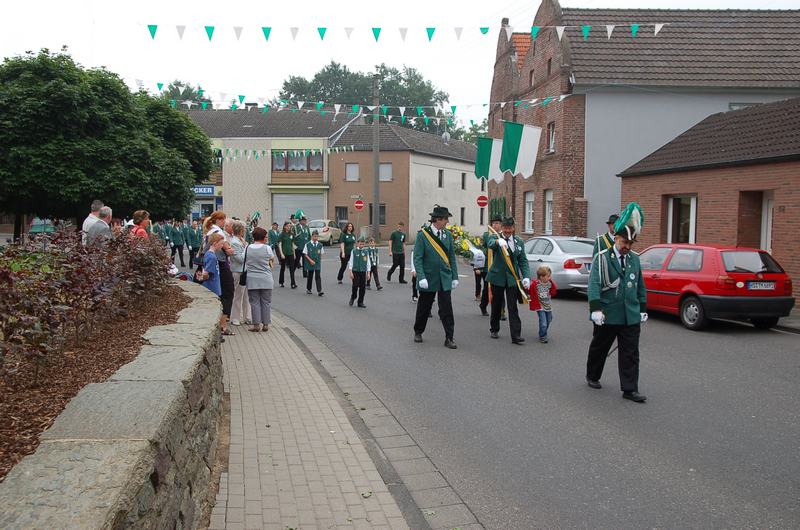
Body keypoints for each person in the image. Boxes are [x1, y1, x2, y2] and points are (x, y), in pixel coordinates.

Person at [586, 203, 648, 403]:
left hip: (629, 314)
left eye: (631, 243)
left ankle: (630, 389)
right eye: (625, 242)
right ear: (616, 238)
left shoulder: (635, 260)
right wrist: (595, 309)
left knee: (630, 353)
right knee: (600, 347)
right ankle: (593, 375)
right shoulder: (603, 258)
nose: (628, 247)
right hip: (608, 313)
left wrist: (642, 308)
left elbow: (640, 286)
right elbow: (594, 284)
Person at [412, 205, 459, 349]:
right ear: (438, 220)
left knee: (447, 309)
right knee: (424, 307)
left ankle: (449, 337)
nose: (447, 222)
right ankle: (418, 331)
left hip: (444, 278)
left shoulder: (448, 235)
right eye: (446, 219)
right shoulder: (423, 236)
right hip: (428, 278)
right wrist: (421, 277)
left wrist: (454, 276)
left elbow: (451, 257)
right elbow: (418, 258)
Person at [487, 217, 531, 345]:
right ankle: (494, 329)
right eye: (505, 228)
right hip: (497, 277)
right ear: (502, 227)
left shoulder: (518, 241)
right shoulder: (496, 237)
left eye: (510, 228)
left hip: (512, 278)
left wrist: (526, 276)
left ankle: (516, 335)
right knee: (496, 304)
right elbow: (490, 244)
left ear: (513, 228)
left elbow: (523, 260)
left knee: (513, 307)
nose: (507, 230)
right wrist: (497, 243)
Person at [204, 212, 235, 335]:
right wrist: (230, 249)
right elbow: (228, 251)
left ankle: (220, 324)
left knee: (221, 294)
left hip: (217, 264)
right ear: (220, 220)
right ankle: (223, 325)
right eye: (224, 220)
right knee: (227, 293)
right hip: (221, 265)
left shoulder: (209, 230)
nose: (225, 222)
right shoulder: (218, 232)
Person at [245, 227, 276, 332]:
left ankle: (256, 325)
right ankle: (266, 324)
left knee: (254, 302)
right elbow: (272, 258)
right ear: (263, 237)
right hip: (266, 278)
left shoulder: (248, 248)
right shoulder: (267, 248)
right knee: (266, 302)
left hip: (252, 278)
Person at [479, 215, 504, 317]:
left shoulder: (503, 236)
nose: (495, 225)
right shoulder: (487, 235)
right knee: (486, 289)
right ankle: (483, 306)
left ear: (501, 225)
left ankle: (502, 312)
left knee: (500, 290)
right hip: (487, 266)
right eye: (494, 223)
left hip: (499, 267)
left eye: (497, 223)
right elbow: (482, 249)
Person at [229, 220, 252, 327]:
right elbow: (240, 259)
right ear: (241, 230)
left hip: (245, 271)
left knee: (246, 296)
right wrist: (246, 248)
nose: (245, 231)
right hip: (237, 271)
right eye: (244, 229)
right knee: (238, 295)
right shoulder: (234, 242)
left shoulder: (241, 240)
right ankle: (235, 318)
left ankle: (247, 317)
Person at [529, 265, 557, 343]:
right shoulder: (536, 284)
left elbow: (553, 291)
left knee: (549, 319)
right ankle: (543, 335)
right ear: (541, 277)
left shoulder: (549, 284)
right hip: (540, 306)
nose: (549, 278)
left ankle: (542, 331)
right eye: (548, 276)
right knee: (543, 322)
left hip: (548, 306)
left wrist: (552, 286)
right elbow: (530, 291)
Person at [348, 236, 371, 308]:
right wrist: (350, 272)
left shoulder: (366, 252)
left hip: (363, 271)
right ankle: (353, 296)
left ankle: (360, 302)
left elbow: (368, 263)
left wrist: (368, 273)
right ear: (357, 243)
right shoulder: (354, 251)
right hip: (355, 271)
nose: (362, 245)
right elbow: (351, 262)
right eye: (360, 243)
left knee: (362, 287)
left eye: (363, 244)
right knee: (355, 285)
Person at [303, 230, 324, 296]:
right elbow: (305, 254)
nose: (316, 238)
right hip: (310, 262)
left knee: (318, 276)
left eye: (317, 236)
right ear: (312, 236)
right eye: (314, 236)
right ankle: (309, 289)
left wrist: (319, 260)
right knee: (310, 276)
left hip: (317, 263)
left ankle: (319, 291)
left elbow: (321, 253)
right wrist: (310, 260)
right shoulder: (308, 244)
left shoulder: (320, 245)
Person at [276, 221, 296, 288]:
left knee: (292, 268)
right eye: (287, 226)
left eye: (290, 226)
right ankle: (281, 282)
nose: (289, 227)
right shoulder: (282, 234)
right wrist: (281, 254)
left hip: (290, 253)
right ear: (284, 226)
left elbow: (292, 244)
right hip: (284, 253)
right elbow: (280, 244)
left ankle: (293, 283)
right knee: (283, 268)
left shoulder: (291, 234)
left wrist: (294, 253)